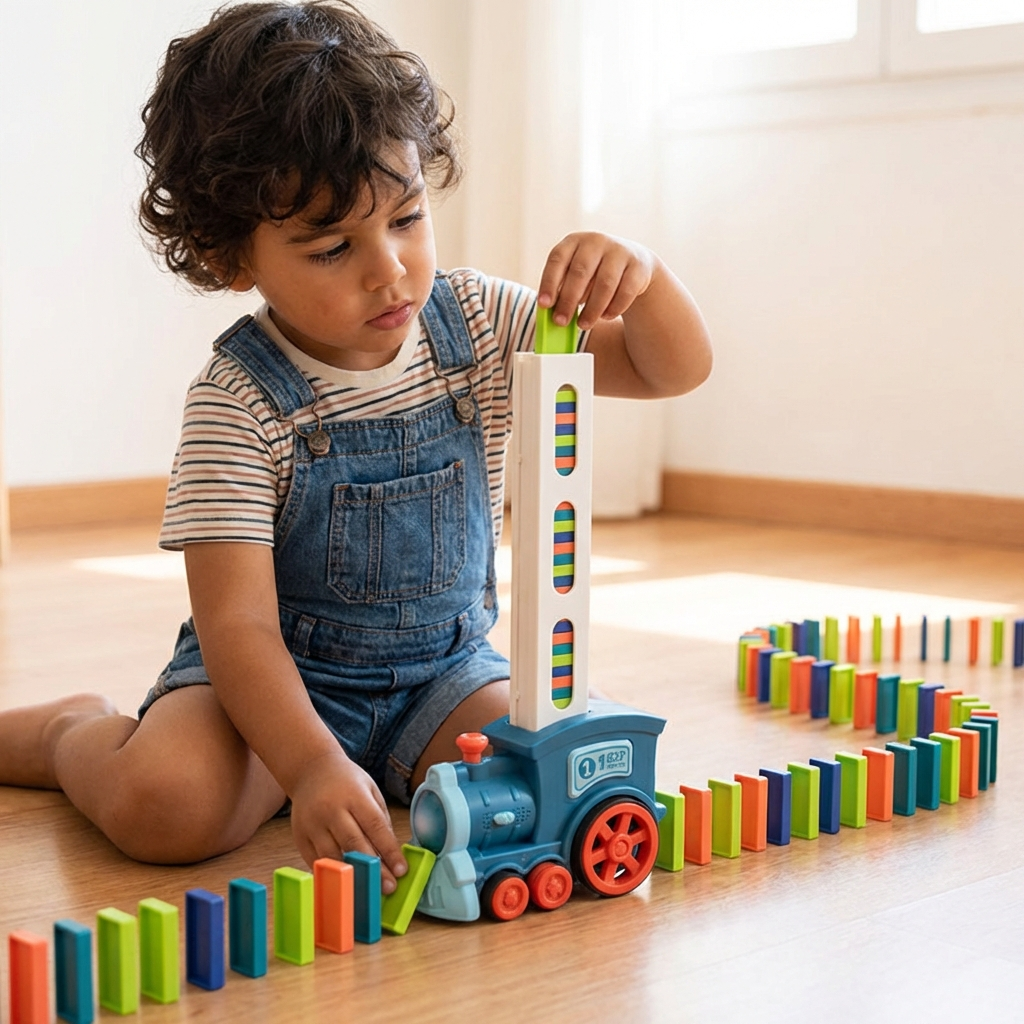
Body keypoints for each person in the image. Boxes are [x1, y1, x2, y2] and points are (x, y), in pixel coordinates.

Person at [0, 1, 712, 892]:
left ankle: (377, 769)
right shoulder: (238, 400)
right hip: (270, 691)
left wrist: (643, 276)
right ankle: (72, 730)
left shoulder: (485, 324)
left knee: (564, 767)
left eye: (406, 218)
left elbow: (668, 369)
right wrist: (305, 766)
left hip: (446, 676)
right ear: (232, 258)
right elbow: (240, 627)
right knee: (167, 807)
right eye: (333, 246)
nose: (389, 269)